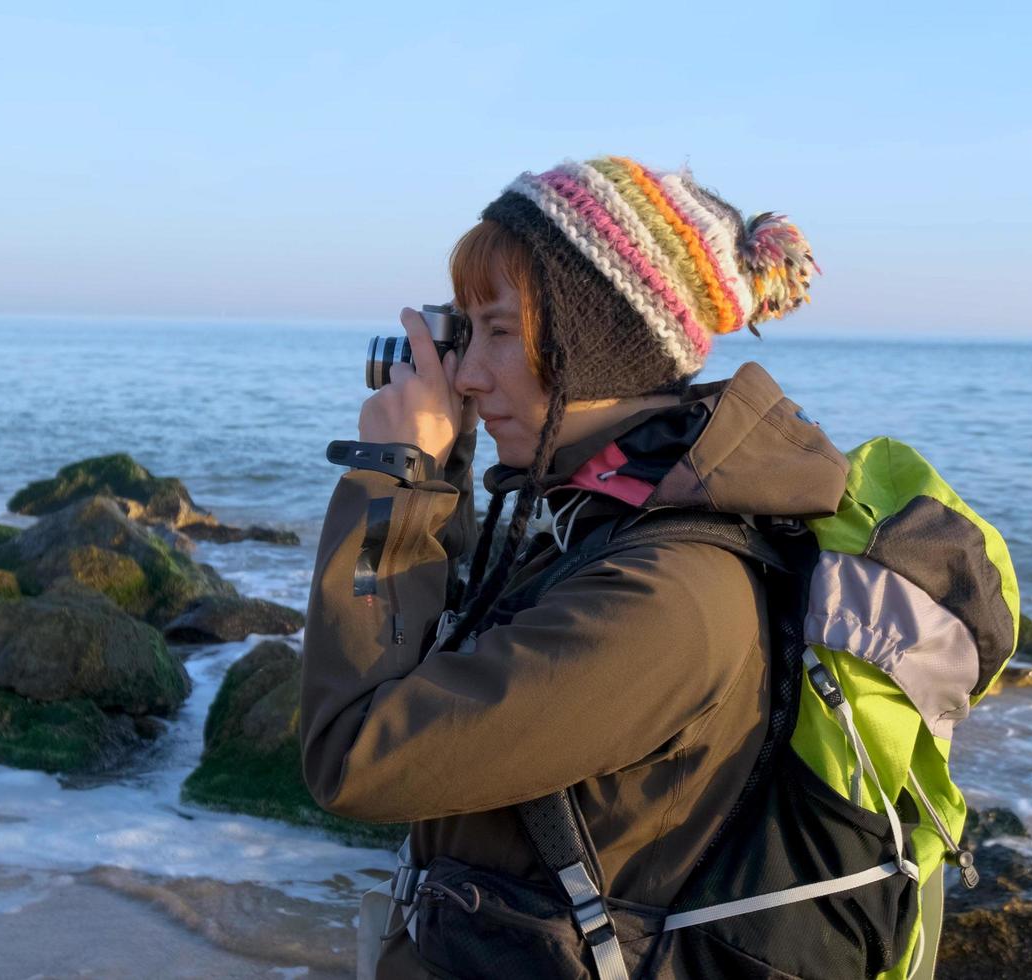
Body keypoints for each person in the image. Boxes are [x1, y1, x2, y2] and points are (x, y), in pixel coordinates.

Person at [300, 155, 841, 978]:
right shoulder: (586, 518)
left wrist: (393, 474)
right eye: (464, 331)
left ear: (601, 345)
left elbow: (356, 758)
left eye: (501, 331)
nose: (469, 377)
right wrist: (437, 479)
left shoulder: (665, 595)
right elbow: (428, 668)